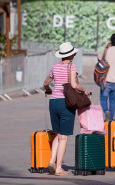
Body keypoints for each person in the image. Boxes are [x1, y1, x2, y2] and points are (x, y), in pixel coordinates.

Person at [43, 42, 90, 176]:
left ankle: (52, 162)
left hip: (53, 102)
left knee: (57, 134)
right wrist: (85, 90)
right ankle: (58, 168)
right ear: (71, 54)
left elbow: (46, 83)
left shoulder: (55, 67)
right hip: (66, 103)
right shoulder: (72, 66)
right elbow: (74, 85)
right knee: (64, 137)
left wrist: (48, 90)